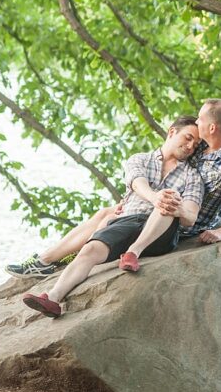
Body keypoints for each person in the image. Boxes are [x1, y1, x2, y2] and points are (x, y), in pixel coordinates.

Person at [6, 98, 221, 276]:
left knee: (111, 219)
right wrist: (138, 199)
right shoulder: (203, 144)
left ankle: (55, 260)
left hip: (182, 224)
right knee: (108, 213)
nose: (196, 120)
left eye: (201, 118)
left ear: (213, 127)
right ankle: (45, 261)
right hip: (162, 207)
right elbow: (167, 162)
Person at [22, 115, 204, 317]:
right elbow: (137, 183)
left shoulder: (193, 176)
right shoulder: (140, 159)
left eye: (195, 145)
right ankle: (52, 298)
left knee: (169, 200)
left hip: (161, 233)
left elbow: (191, 215)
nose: (190, 147)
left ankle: (133, 252)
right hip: (127, 221)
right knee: (90, 249)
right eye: (188, 138)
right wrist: (154, 197)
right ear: (172, 132)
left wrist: (173, 206)